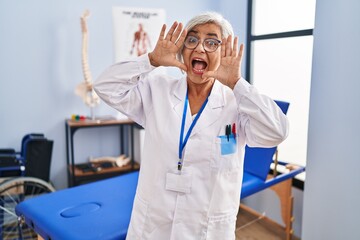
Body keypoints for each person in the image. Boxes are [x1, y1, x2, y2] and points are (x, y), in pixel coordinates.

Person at [94, 12, 288, 240]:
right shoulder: (158, 89)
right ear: (182, 49)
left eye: (212, 42)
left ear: (224, 51)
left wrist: (237, 83)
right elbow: (105, 86)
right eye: (192, 39)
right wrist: (151, 60)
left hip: (206, 229)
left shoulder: (237, 103)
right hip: (154, 225)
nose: (199, 49)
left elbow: (277, 131)